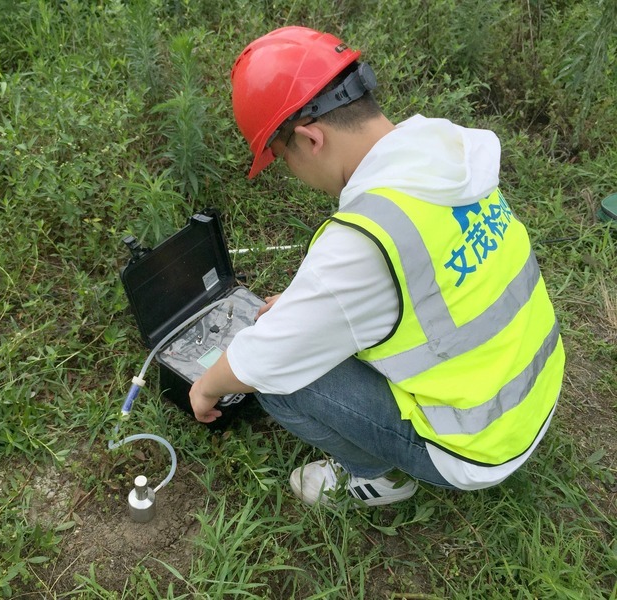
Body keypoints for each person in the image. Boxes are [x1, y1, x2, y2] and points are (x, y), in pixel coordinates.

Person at [188, 26, 565, 506]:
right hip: (535, 389)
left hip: (478, 444)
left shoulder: (363, 242)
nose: (294, 174)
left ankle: (374, 478)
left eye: (283, 159)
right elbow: (435, 283)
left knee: (279, 382)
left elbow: (261, 360)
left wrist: (204, 388)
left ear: (310, 138)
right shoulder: (448, 156)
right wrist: (313, 307)